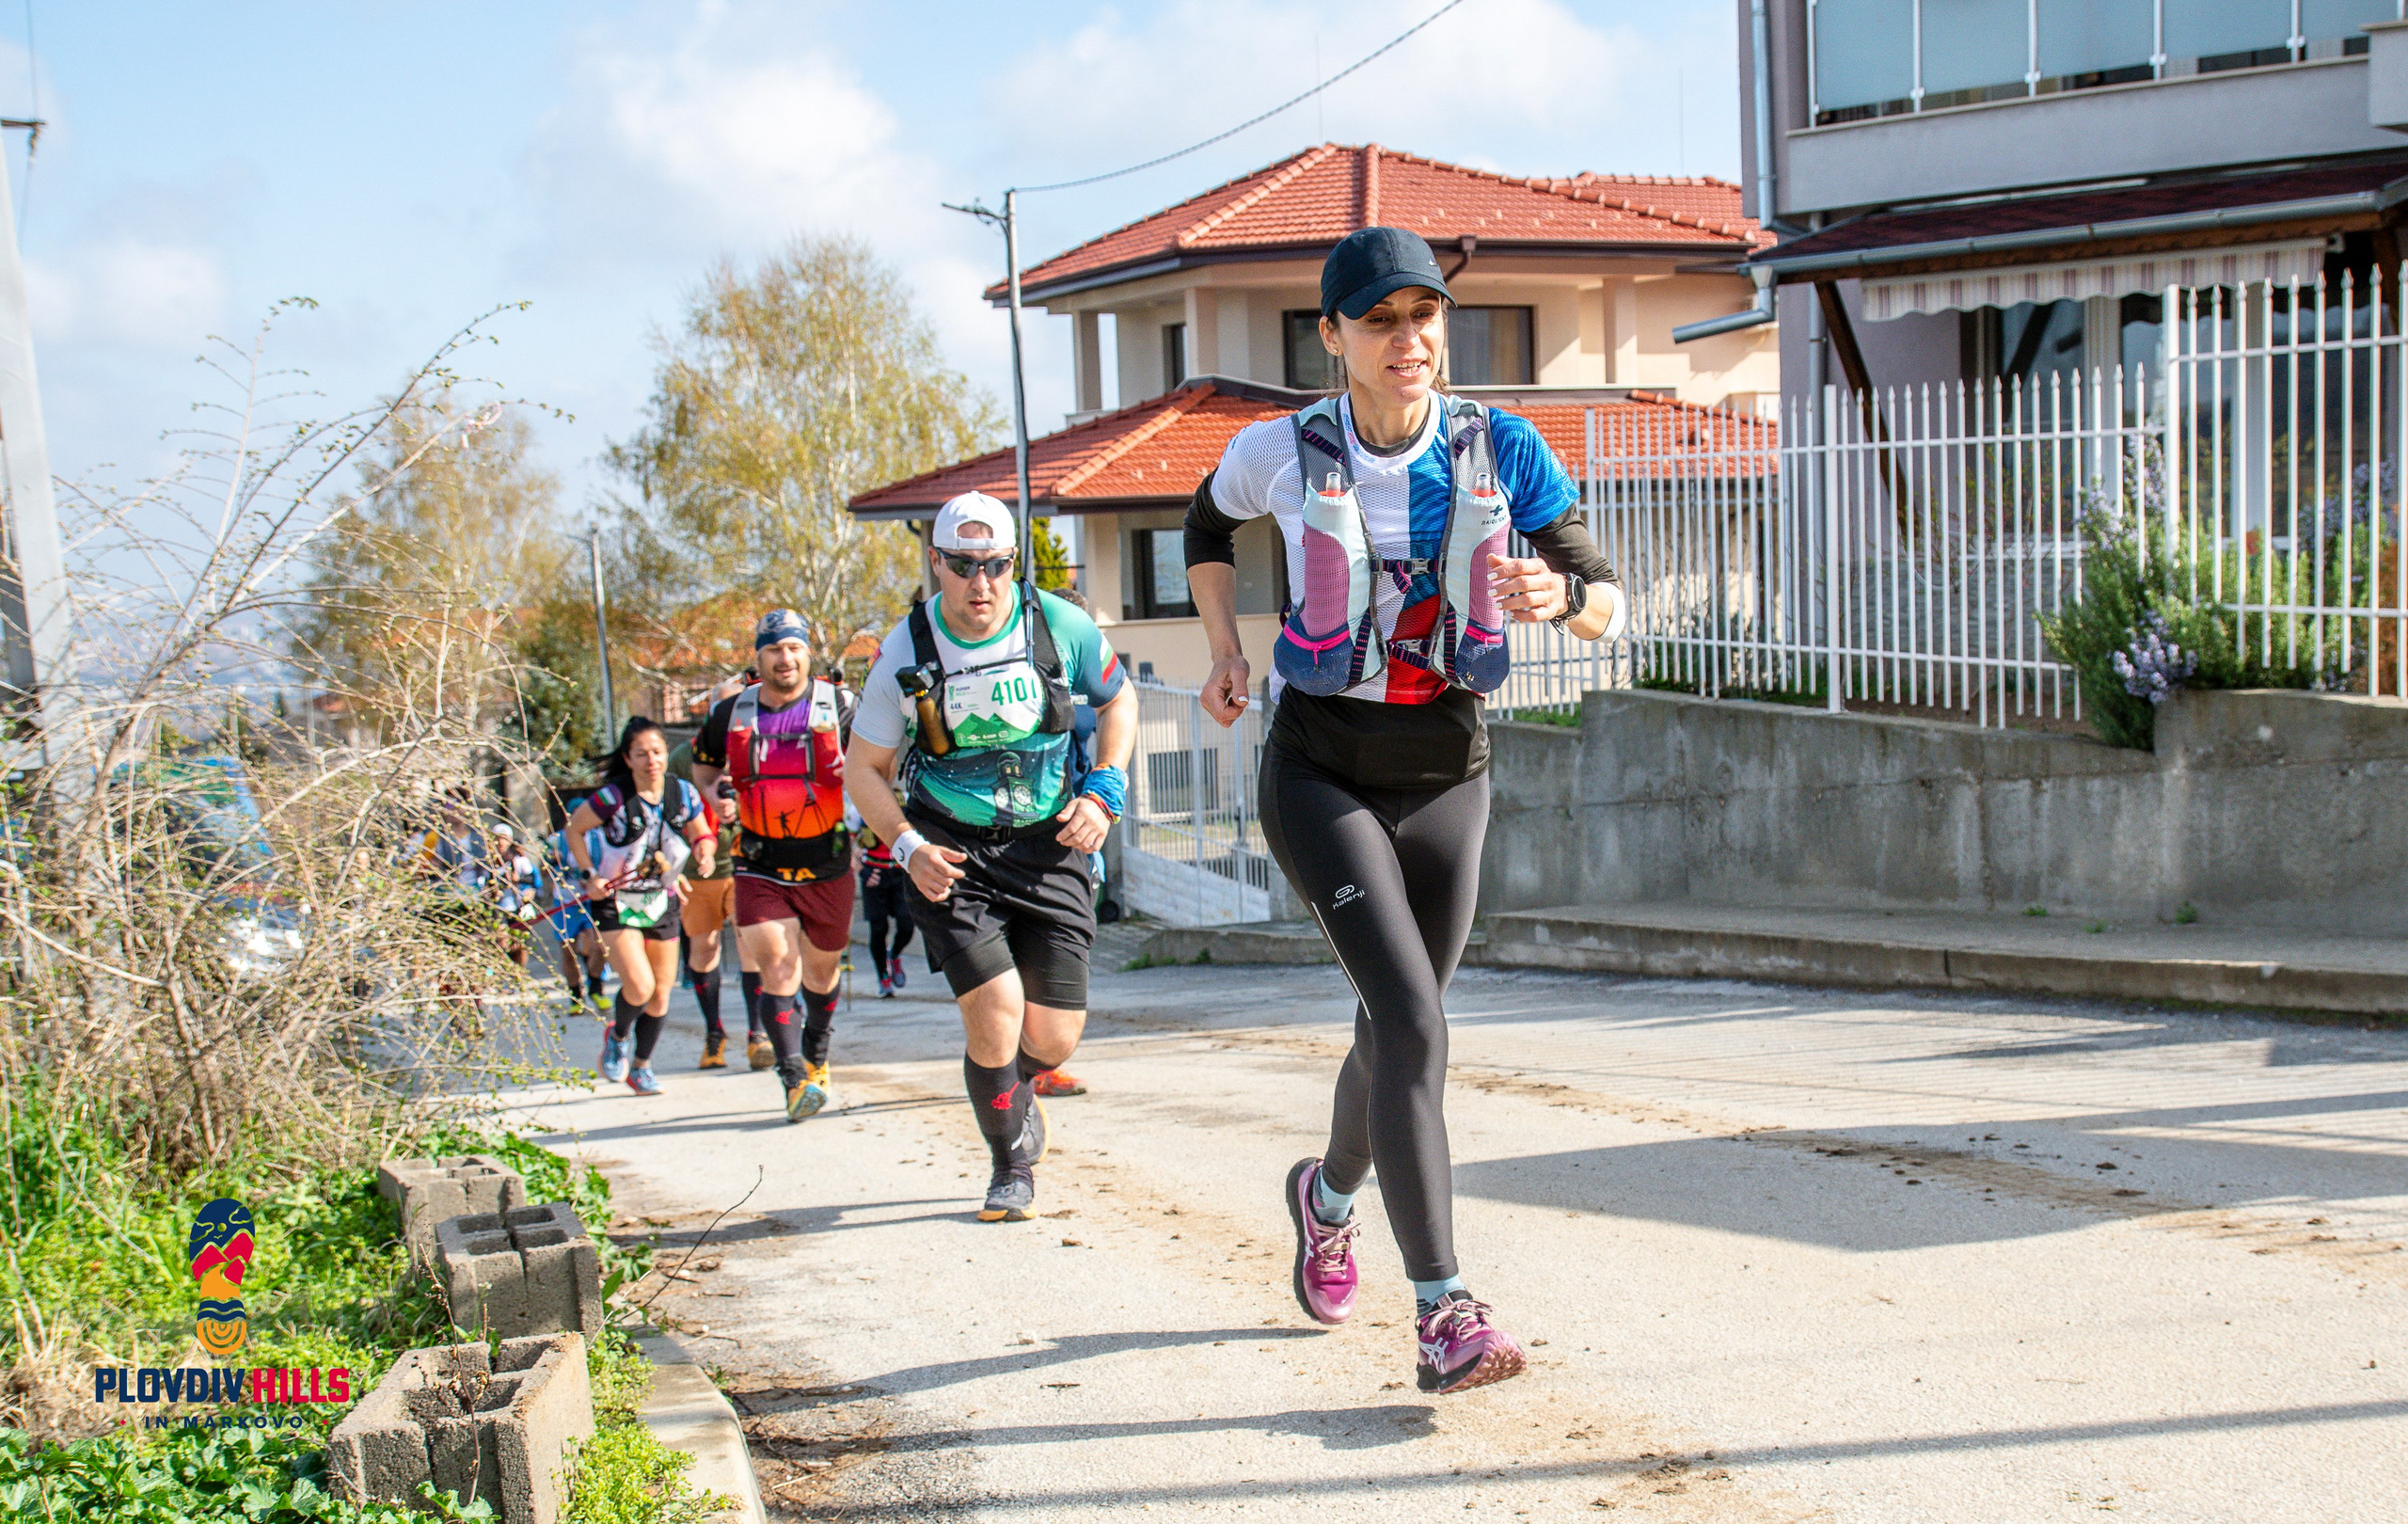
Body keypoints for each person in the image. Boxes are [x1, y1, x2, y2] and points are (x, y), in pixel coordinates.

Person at [1184, 227, 1626, 1396]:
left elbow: (1606, 598)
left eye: (1423, 316)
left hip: (1449, 772)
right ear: (1331, 335)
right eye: (1379, 320)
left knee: (1396, 1026)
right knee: (1418, 1027)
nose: (1408, 340)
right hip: (1319, 770)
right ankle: (1443, 1311)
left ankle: (1324, 1199)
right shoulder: (1280, 451)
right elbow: (1202, 524)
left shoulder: (1501, 446)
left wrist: (1560, 596)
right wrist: (1226, 648)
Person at [845, 491, 1135, 1222]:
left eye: (997, 565)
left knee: (1053, 1035)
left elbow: (1120, 699)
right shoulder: (906, 650)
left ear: (1014, 564)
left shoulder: (1058, 624)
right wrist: (907, 848)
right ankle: (1010, 1167)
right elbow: (863, 768)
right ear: (936, 563)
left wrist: (1104, 789)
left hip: (1050, 844)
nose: (981, 584)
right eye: (965, 567)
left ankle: (1010, 1084)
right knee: (997, 1011)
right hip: (950, 850)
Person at [689, 611, 859, 1122]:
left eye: (793, 648)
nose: (784, 659)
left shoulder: (842, 706)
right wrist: (715, 794)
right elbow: (704, 764)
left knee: (821, 972)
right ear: (758, 657)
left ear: (808, 654)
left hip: (827, 861)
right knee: (777, 964)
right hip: (759, 862)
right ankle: (792, 1081)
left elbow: (878, 761)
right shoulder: (730, 713)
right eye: (773, 650)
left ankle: (816, 1057)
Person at [565, 717, 716, 1096]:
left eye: (658, 751)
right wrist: (589, 876)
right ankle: (617, 1035)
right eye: (642, 753)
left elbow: (702, 835)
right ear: (628, 759)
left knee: (661, 993)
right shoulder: (612, 797)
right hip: (616, 902)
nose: (652, 760)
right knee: (640, 985)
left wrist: (705, 853)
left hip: (661, 901)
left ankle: (642, 1068)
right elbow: (574, 830)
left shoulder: (683, 793)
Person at [669, 678, 766, 1070]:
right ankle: (714, 1034)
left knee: (752, 948)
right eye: (723, 709)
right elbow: (667, 812)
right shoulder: (681, 758)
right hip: (698, 871)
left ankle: (758, 1035)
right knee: (704, 949)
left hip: (748, 865)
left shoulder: (762, 749)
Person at [544, 792, 610, 1017]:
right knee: (568, 952)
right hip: (565, 901)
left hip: (592, 900)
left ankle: (595, 988)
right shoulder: (556, 839)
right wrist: (556, 866)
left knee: (599, 947)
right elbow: (545, 868)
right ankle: (575, 996)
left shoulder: (599, 837)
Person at [854, 800, 914, 999]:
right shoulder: (858, 807)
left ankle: (895, 955)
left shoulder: (905, 799)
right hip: (874, 873)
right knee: (879, 928)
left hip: (899, 872)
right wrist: (863, 872)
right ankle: (882, 975)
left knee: (907, 924)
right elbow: (844, 846)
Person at [486, 822, 542, 971]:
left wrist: (519, 880)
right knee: (502, 941)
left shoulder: (519, 860)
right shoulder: (489, 862)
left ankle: (519, 975)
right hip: (500, 907)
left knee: (520, 944)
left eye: (503, 838)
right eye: (497, 839)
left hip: (518, 907)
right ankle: (503, 974)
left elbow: (534, 880)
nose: (500, 843)